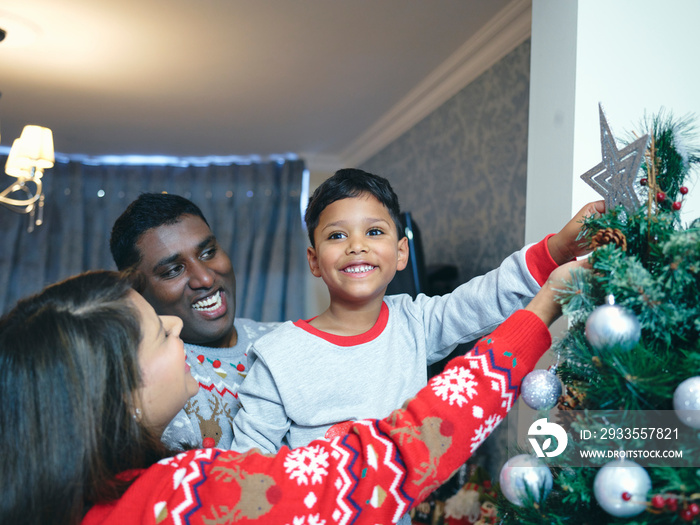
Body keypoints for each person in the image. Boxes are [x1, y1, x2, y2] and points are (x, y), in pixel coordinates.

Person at [0, 262, 575, 525]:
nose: (176, 328)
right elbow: (392, 458)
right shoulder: (186, 497)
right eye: (158, 332)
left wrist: (542, 259)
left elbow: (460, 310)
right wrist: (540, 312)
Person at [230, 168, 604, 454]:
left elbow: (484, 298)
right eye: (337, 235)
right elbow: (247, 468)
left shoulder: (415, 322)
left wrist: (554, 250)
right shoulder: (278, 355)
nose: (356, 246)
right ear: (314, 261)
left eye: (374, 232)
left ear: (401, 253)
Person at [110, 193, 279, 450]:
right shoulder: (154, 382)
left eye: (209, 252)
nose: (205, 279)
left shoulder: (286, 340)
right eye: (173, 270)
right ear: (136, 291)